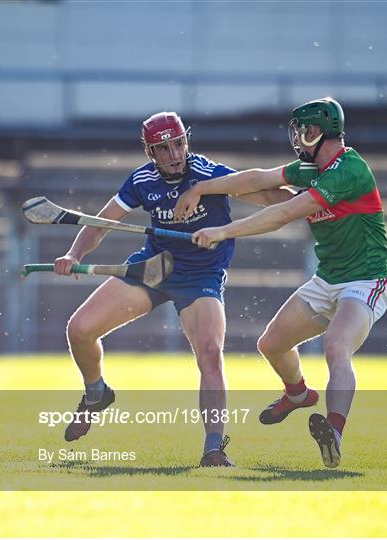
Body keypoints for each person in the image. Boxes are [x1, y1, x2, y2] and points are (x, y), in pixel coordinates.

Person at [54, 111, 289, 467]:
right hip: (153, 268)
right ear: (149, 151)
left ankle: (214, 448)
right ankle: (96, 393)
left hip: (201, 277)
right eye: (163, 148)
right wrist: (73, 253)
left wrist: (313, 199)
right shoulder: (142, 180)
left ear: (186, 140)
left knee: (210, 352)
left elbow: (270, 196)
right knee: (79, 329)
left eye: (178, 144)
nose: (174, 154)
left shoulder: (209, 174)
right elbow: (99, 224)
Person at [174, 97, 387, 468]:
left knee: (336, 346)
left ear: (319, 131)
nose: (297, 138)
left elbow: (283, 213)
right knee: (271, 344)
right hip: (327, 280)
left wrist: (222, 231)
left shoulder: (347, 171)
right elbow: (257, 179)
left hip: (366, 280)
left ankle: (334, 433)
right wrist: (201, 189)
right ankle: (297, 394)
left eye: (303, 130)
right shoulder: (312, 169)